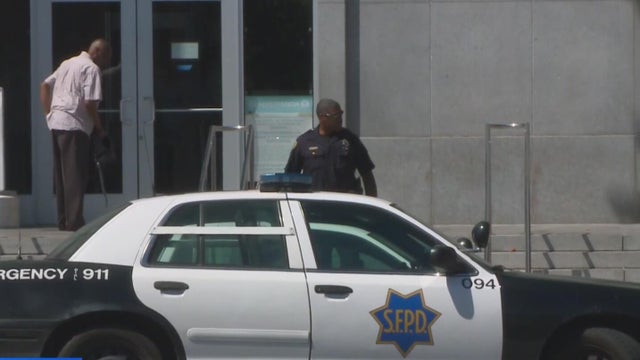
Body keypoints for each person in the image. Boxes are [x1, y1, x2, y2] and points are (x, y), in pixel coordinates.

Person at [39, 38, 112, 231]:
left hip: (57, 124)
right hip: (75, 125)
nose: (106, 62)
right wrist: (100, 129)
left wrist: (49, 115)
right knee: (75, 176)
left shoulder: (67, 63)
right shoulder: (91, 69)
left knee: (62, 176)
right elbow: (89, 103)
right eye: (106, 56)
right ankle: (74, 222)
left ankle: (63, 220)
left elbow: (44, 85)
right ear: (96, 52)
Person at [285, 98, 377, 196]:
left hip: (346, 205)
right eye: (335, 116)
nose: (340, 119)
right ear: (321, 117)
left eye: (341, 114)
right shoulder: (304, 142)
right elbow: (290, 177)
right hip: (314, 205)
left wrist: (371, 203)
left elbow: (367, 175)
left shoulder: (351, 140)